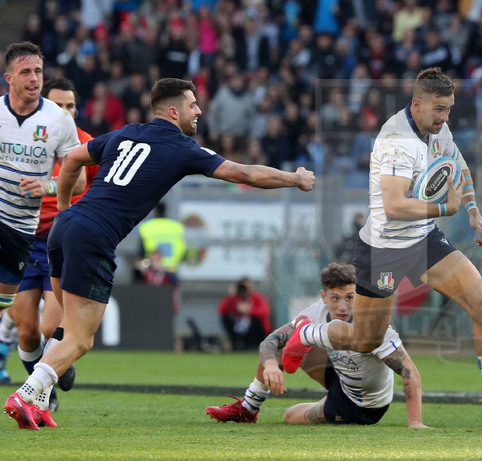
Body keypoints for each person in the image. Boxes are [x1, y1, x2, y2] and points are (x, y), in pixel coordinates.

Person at [4, 77, 315, 430]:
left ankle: (41, 404)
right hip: (94, 237)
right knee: (81, 337)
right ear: (173, 111)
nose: (198, 111)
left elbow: (73, 158)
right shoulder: (182, 147)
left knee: (64, 326)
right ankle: (26, 393)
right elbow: (244, 173)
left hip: (64, 228)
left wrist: (62, 208)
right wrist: (295, 178)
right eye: (192, 104)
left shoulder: (124, 133)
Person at [281, 67, 482, 426]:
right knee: (364, 340)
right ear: (417, 104)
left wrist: (472, 210)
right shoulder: (395, 140)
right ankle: (307, 333)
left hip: (423, 238)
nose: (444, 118)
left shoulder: (438, 128)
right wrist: (446, 208)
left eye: (449, 109)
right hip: (384, 249)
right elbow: (393, 206)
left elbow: (458, 164)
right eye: (439, 109)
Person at [206, 262, 428, 427]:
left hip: (363, 405)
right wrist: (272, 366)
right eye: (335, 298)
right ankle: (248, 408)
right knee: (279, 347)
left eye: (350, 298)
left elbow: (409, 371)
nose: (342, 306)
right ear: (323, 296)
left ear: (359, 296)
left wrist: (415, 422)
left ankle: (306, 334)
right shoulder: (316, 311)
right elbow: (269, 342)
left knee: (290, 417)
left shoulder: (374, 327)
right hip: (338, 377)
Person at [1, 77, 99, 413]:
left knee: (49, 327)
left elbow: (91, 184)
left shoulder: (86, 143)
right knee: (27, 332)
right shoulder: (25, 136)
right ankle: (43, 388)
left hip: (62, 242)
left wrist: (48, 187)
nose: (66, 112)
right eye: (59, 106)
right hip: (21, 238)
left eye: (71, 106)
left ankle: (44, 387)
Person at [217, 277, 273, 351]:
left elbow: (265, 312)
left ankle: (253, 345)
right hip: (238, 327)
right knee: (225, 318)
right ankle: (235, 343)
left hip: (254, 329)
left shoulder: (257, 297)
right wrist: (230, 296)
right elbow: (221, 310)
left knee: (255, 319)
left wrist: (249, 310)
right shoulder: (233, 298)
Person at [136, 201, 186, 275]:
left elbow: (141, 253)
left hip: (152, 271)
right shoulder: (176, 227)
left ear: (155, 211)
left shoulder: (146, 227)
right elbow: (183, 251)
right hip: (171, 271)